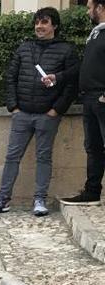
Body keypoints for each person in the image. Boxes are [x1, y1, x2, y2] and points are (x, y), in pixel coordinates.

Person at [0, 8, 79, 216]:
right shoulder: (24, 47)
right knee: (12, 157)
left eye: (44, 22)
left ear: (54, 26)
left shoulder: (66, 50)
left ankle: (40, 200)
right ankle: (2, 199)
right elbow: (11, 77)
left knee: (44, 157)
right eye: (37, 22)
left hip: (48, 115)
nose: (39, 26)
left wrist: (56, 110)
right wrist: (13, 107)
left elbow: (71, 84)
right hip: (22, 113)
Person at [61, 0, 105, 206]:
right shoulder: (96, 34)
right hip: (89, 99)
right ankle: (92, 191)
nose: (87, 11)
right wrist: (58, 77)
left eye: (89, 7)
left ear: (100, 8)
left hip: (101, 98)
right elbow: (85, 67)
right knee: (93, 147)